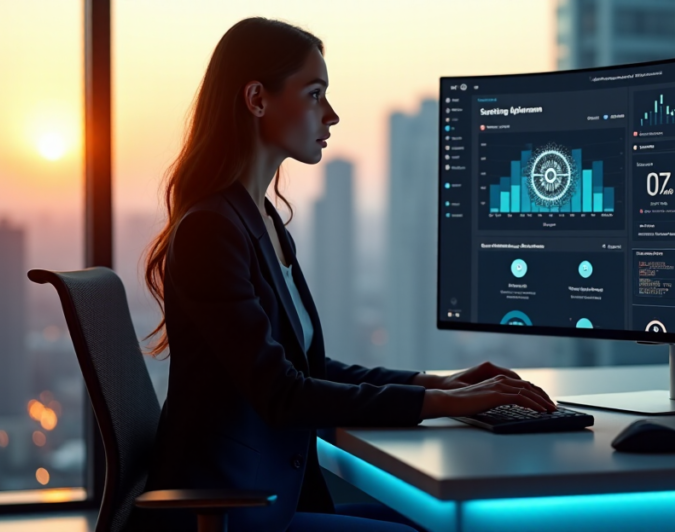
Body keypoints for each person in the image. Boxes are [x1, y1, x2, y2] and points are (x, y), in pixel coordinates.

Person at [131, 17, 556, 532]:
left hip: (267, 496)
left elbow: (309, 367)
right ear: (257, 99)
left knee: (442, 520)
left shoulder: (261, 220)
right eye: (315, 94)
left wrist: (437, 383)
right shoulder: (211, 231)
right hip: (230, 509)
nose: (331, 115)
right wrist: (442, 402)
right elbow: (282, 392)